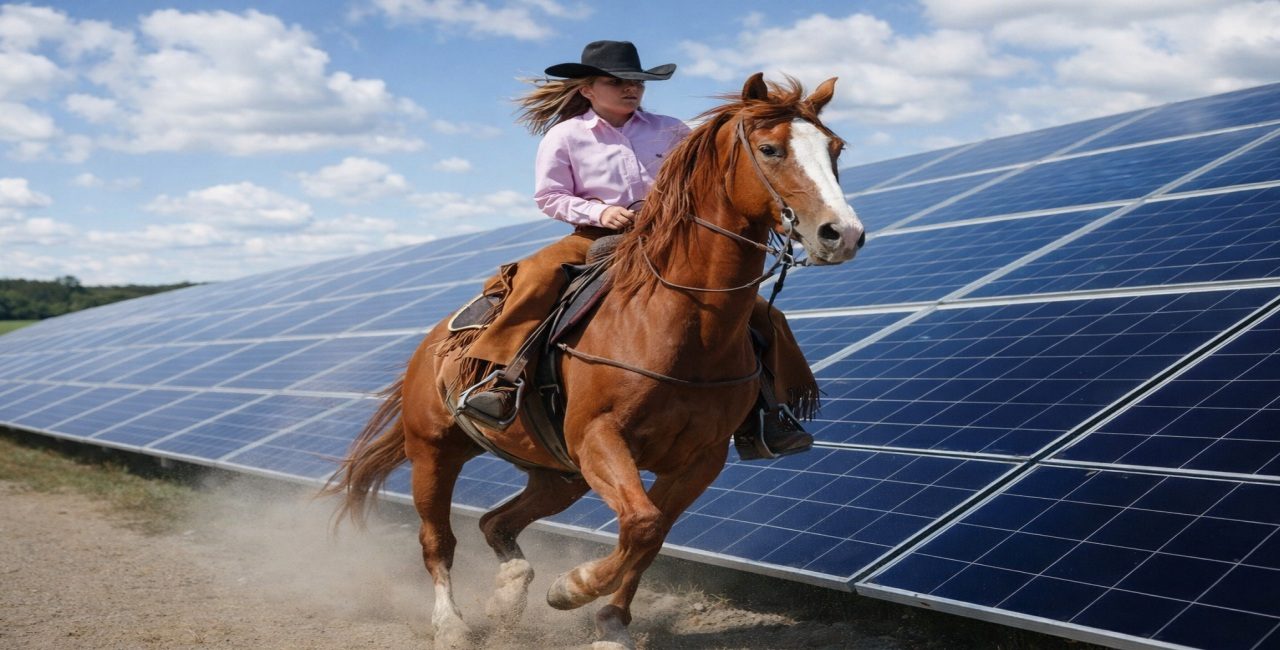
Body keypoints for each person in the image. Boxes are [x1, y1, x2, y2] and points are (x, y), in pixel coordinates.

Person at [455, 40, 814, 460]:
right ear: (587, 89)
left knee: (760, 313)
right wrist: (599, 212)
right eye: (617, 82)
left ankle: (769, 411)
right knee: (535, 278)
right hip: (595, 236)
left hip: (671, 239)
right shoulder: (566, 135)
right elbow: (549, 196)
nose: (631, 89)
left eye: (637, 82)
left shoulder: (672, 129)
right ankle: (501, 381)